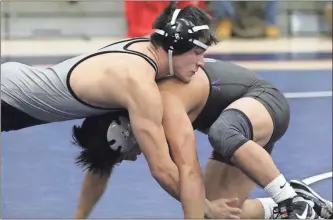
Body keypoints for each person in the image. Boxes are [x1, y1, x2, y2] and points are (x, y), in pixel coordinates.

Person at [1, 3, 218, 218]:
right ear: (173, 47)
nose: (201, 63)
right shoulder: (138, 84)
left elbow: (104, 157)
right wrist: (209, 209)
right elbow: (163, 170)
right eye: (197, 53)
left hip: (12, 87)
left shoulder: (144, 48)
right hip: (7, 98)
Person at [72, 58, 332, 219]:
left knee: (220, 137)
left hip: (261, 102)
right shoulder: (122, 115)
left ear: (126, 134)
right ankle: (297, 200)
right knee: (220, 213)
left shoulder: (159, 109)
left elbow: (184, 172)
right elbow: (99, 169)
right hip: (237, 131)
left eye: (123, 156)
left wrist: (202, 207)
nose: (130, 159)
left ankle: (291, 202)